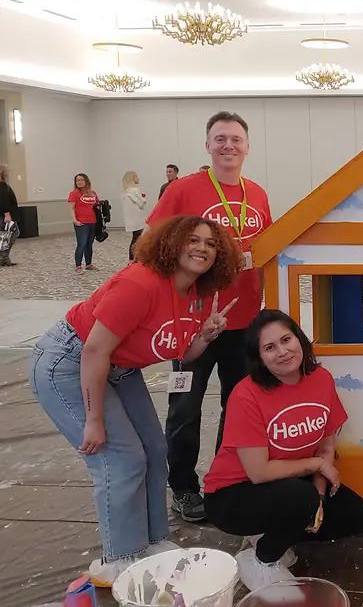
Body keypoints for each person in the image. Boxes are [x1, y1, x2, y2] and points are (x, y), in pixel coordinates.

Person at [28, 215, 242, 586]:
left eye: (210, 244)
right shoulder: (140, 283)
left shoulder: (193, 294)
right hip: (71, 362)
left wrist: (205, 335)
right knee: (121, 458)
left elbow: (179, 351)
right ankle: (120, 560)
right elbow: (94, 349)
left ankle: (152, 542)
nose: (202, 248)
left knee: (155, 450)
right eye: (193, 240)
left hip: (119, 367)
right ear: (172, 244)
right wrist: (94, 417)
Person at [148, 111, 273, 523]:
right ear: (207, 145)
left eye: (236, 139)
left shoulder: (257, 194)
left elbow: (270, 249)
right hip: (194, 323)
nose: (228, 146)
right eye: (220, 139)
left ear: (247, 146)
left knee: (238, 408)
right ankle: (183, 486)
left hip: (244, 322)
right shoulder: (184, 190)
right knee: (186, 407)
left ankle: (224, 480)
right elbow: (151, 241)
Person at [204, 310, 363, 591]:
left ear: (299, 339)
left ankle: (270, 535)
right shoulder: (246, 395)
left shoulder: (321, 379)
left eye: (286, 339)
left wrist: (318, 494)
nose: (282, 352)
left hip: (288, 482)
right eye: (270, 348)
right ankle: (260, 559)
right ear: (259, 358)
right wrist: (315, 470)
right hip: (233, 494)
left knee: (352, 513)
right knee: (300, 499)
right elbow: (258, 472)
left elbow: (326, 445)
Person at [68, 173, 99, 274]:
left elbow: (97, 206)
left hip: (92, 221)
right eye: (77, 180)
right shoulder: (74, 193)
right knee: (81, 244)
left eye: (81, 180)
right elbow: (72, 208)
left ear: (86, 181)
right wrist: (74, 220)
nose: (79, 182)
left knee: (89, 244)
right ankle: (78, 266)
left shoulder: (93, 193)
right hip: (81, 222)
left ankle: (88, 264)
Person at [121, 171, 148, 261]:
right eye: (137, 177)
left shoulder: (126, 191)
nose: (138, 178)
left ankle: (132, 259)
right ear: (132, 178)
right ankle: (134, 259)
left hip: (131, 219)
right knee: (137, 239)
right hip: (138, 219)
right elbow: (142, 203)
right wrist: (143, 197)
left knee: (135, 238)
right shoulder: (135, 190)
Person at [0, 164, 18, 266]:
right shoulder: (2, 185)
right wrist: (7, 214)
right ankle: (4, 256)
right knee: (10, 234)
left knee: (4, 236)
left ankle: (4, 257)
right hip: (4, 215)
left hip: (3, 215)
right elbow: (3, 201)